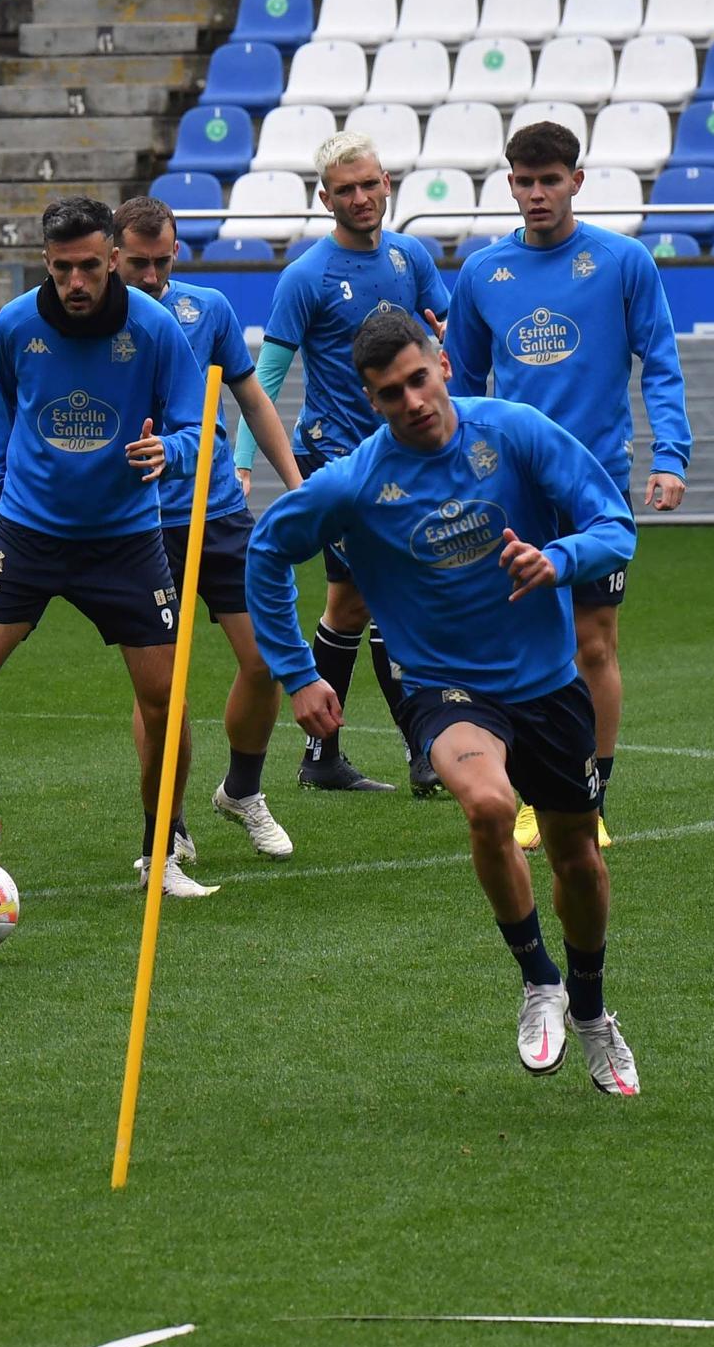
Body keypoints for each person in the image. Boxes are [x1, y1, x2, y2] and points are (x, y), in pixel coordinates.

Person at [247, 309, 641, 1095]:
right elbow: (265, 552)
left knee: (579, 862)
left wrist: (558, 559)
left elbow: (615, 526)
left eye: (419, 380)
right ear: (371, 401)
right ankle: (538, 979)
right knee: (489, 806)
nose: (412, 402)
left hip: (548, 685)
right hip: (444, 691)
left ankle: (592, 1011)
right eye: (390, 394)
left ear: (444, 367)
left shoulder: (517, 432)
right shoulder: (356, 481)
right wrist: (298, 675)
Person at [0, 197, 212, 897]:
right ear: (46, 264)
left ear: (115, 259)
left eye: (90, 266)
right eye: (62, 269)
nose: (77, 282)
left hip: (125, 540)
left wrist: (170, 452)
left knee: (165, 700)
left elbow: (195, 424)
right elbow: (7, 410)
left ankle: (162, 846)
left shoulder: (154, 329)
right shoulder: (16, 325)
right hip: (29, 533)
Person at [445, 121, 692, 852]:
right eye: (523, 181)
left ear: (576, 182)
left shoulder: (623, 262)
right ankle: (529, 794)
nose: (536, 194)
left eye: (549, 180)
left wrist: (671, 456)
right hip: (512, 491)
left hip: (597, 490)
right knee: (519, 644)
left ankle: (590, 797)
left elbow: (663, 362)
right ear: (510, 183)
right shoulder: (483, 274)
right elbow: (461, 385)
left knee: (593, 645)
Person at [236, 132, 454, 797]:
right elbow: (265, 376)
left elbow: (447, 336)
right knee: (391, 598)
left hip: (407, 457)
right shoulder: (306, 277)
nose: (360, 198)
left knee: (350, 606)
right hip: (339, 463)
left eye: (370, 185)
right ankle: (424, 752)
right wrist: (244, 465)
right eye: (345, 190)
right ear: (324, 197)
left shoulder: (410, 257)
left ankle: (320, 757)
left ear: (387, 183)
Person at [110, 196, 304, 864]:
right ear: (112, 256)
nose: (154, 275)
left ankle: (241, 791)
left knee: (266, 658)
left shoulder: (207, 310)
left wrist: (298, 487)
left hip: (218, 512)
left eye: (164, 260)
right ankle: (168, 824)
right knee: (161, 687)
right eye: (139, 263)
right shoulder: (90, 324)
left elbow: (252, 398)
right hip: (137, 525)